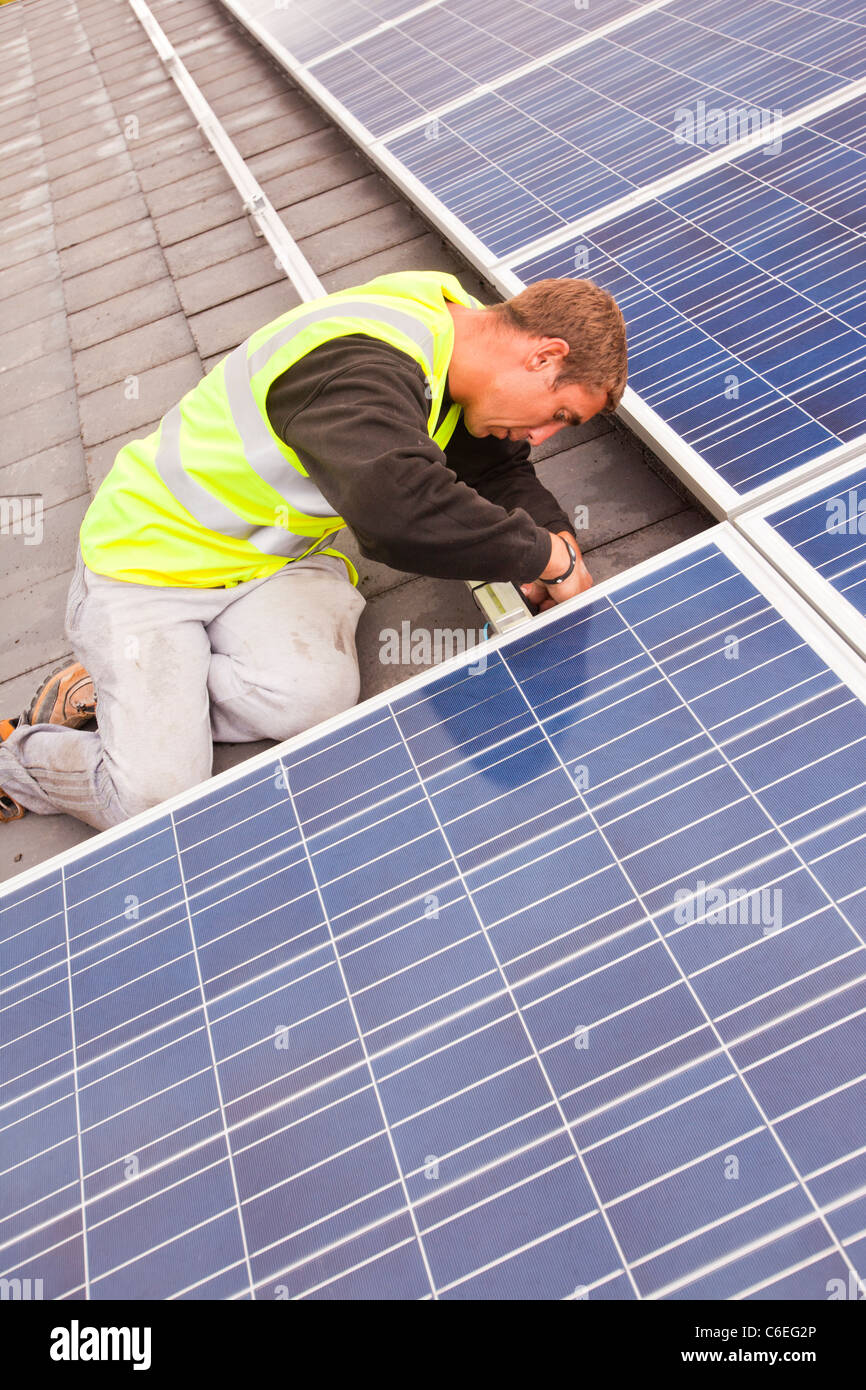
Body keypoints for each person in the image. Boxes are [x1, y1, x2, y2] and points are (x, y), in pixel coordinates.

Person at [0, 270, 627, 830]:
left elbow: (496, 470)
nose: (543, 436)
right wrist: (547, 560)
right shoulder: (357, 364)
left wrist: (558, 541)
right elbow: (397, 512)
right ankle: (18, 757)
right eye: (560, 415)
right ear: (545, 355)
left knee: (313, 699)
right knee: (154, 799)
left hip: (272, 562)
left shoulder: (458, 333)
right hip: (151, 567)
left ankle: (124, 691)